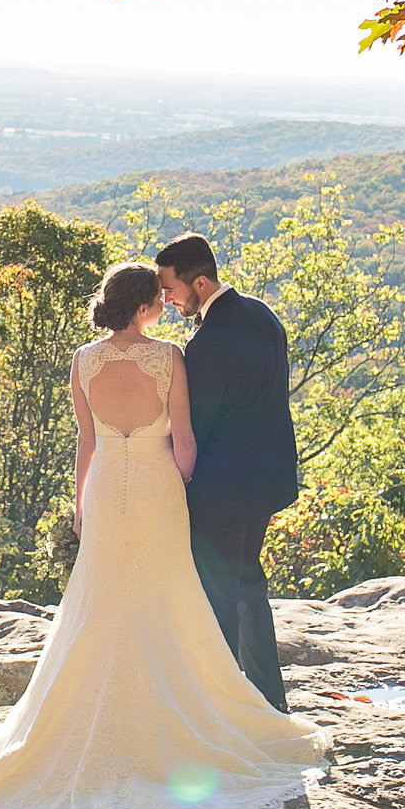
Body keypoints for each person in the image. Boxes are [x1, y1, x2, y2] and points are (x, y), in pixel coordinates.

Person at [0, 263, 326, 809]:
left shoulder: (83, 360)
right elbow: (183, 443)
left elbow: (86, 443)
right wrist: (186, 486)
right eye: (158, 297)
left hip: (103, 488)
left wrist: (81, 505)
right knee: (167, 594)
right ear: (144, 305)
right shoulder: (170, 359)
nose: (164, 303)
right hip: (156, 486)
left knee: (98, 601)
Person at [154, 233, 298, 712]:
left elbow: (196, 423)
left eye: (170, 289)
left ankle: (223, 704)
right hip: (266, 477)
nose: (166, 299)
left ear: (199, 281)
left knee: (217, 591)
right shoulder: (263, 313)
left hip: (222, 486)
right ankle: (266, 700)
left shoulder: (209, 341)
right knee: (246, 581)